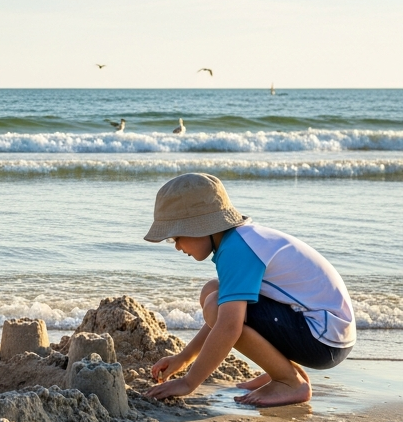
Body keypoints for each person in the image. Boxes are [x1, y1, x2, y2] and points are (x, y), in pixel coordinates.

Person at [143, 172, 356, 407]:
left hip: (324, 341)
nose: (177, 247)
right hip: (325, 330)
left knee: (216, 304)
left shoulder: (237, 250)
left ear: (199, 226)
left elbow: (228, 326)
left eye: (176, 237)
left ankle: (289, 381)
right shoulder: (241, 239)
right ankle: (281, 368)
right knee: (213, 291)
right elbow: (225, 318)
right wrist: (183, 358)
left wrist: (188, 382)